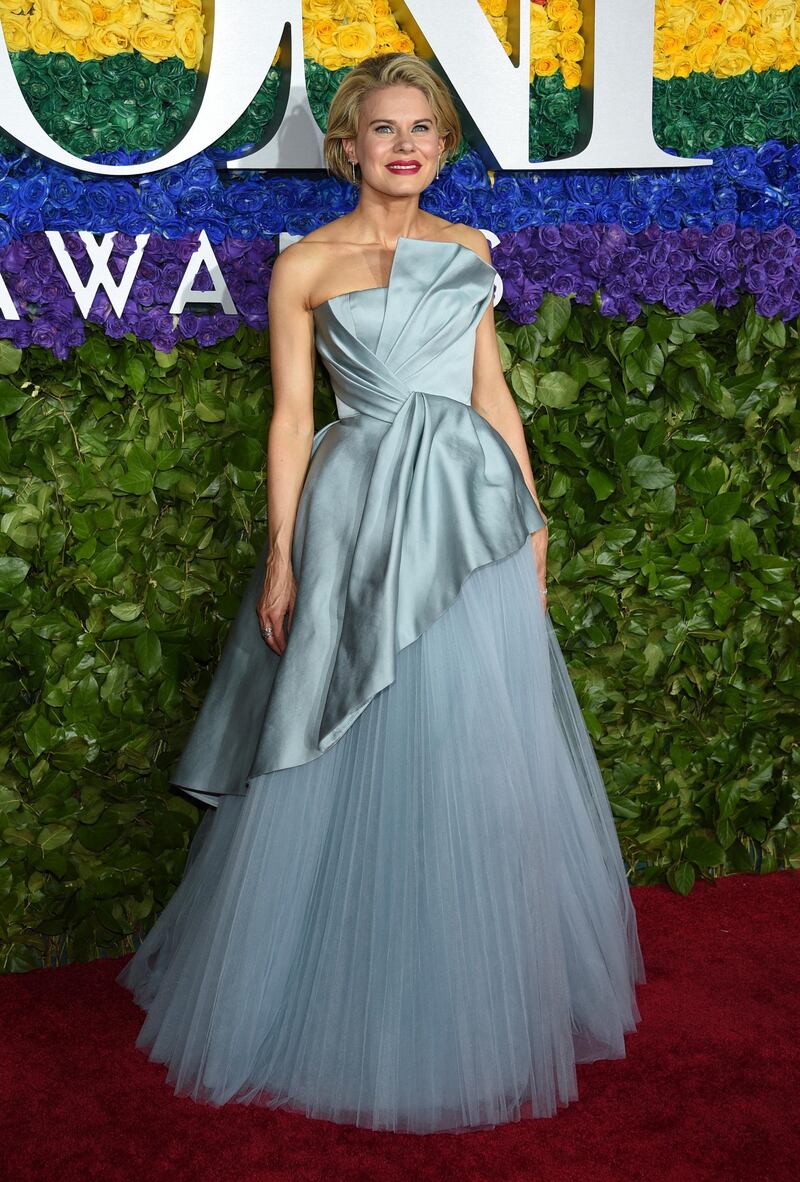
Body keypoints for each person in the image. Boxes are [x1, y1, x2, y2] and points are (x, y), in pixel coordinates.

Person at [116, 51, 645, 1135]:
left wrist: (531, 525)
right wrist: (281, 554)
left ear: (441, 151)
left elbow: (493, 398)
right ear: (345, 143)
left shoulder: (465, 254)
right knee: (348, 740)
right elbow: (290, 420)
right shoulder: (304, 264)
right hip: (356, 517)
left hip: (467, 516)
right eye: (383, 129)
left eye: (423, 132)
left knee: (470, 750)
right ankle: (342, 994)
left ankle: (470, 1000)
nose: (403, 147)